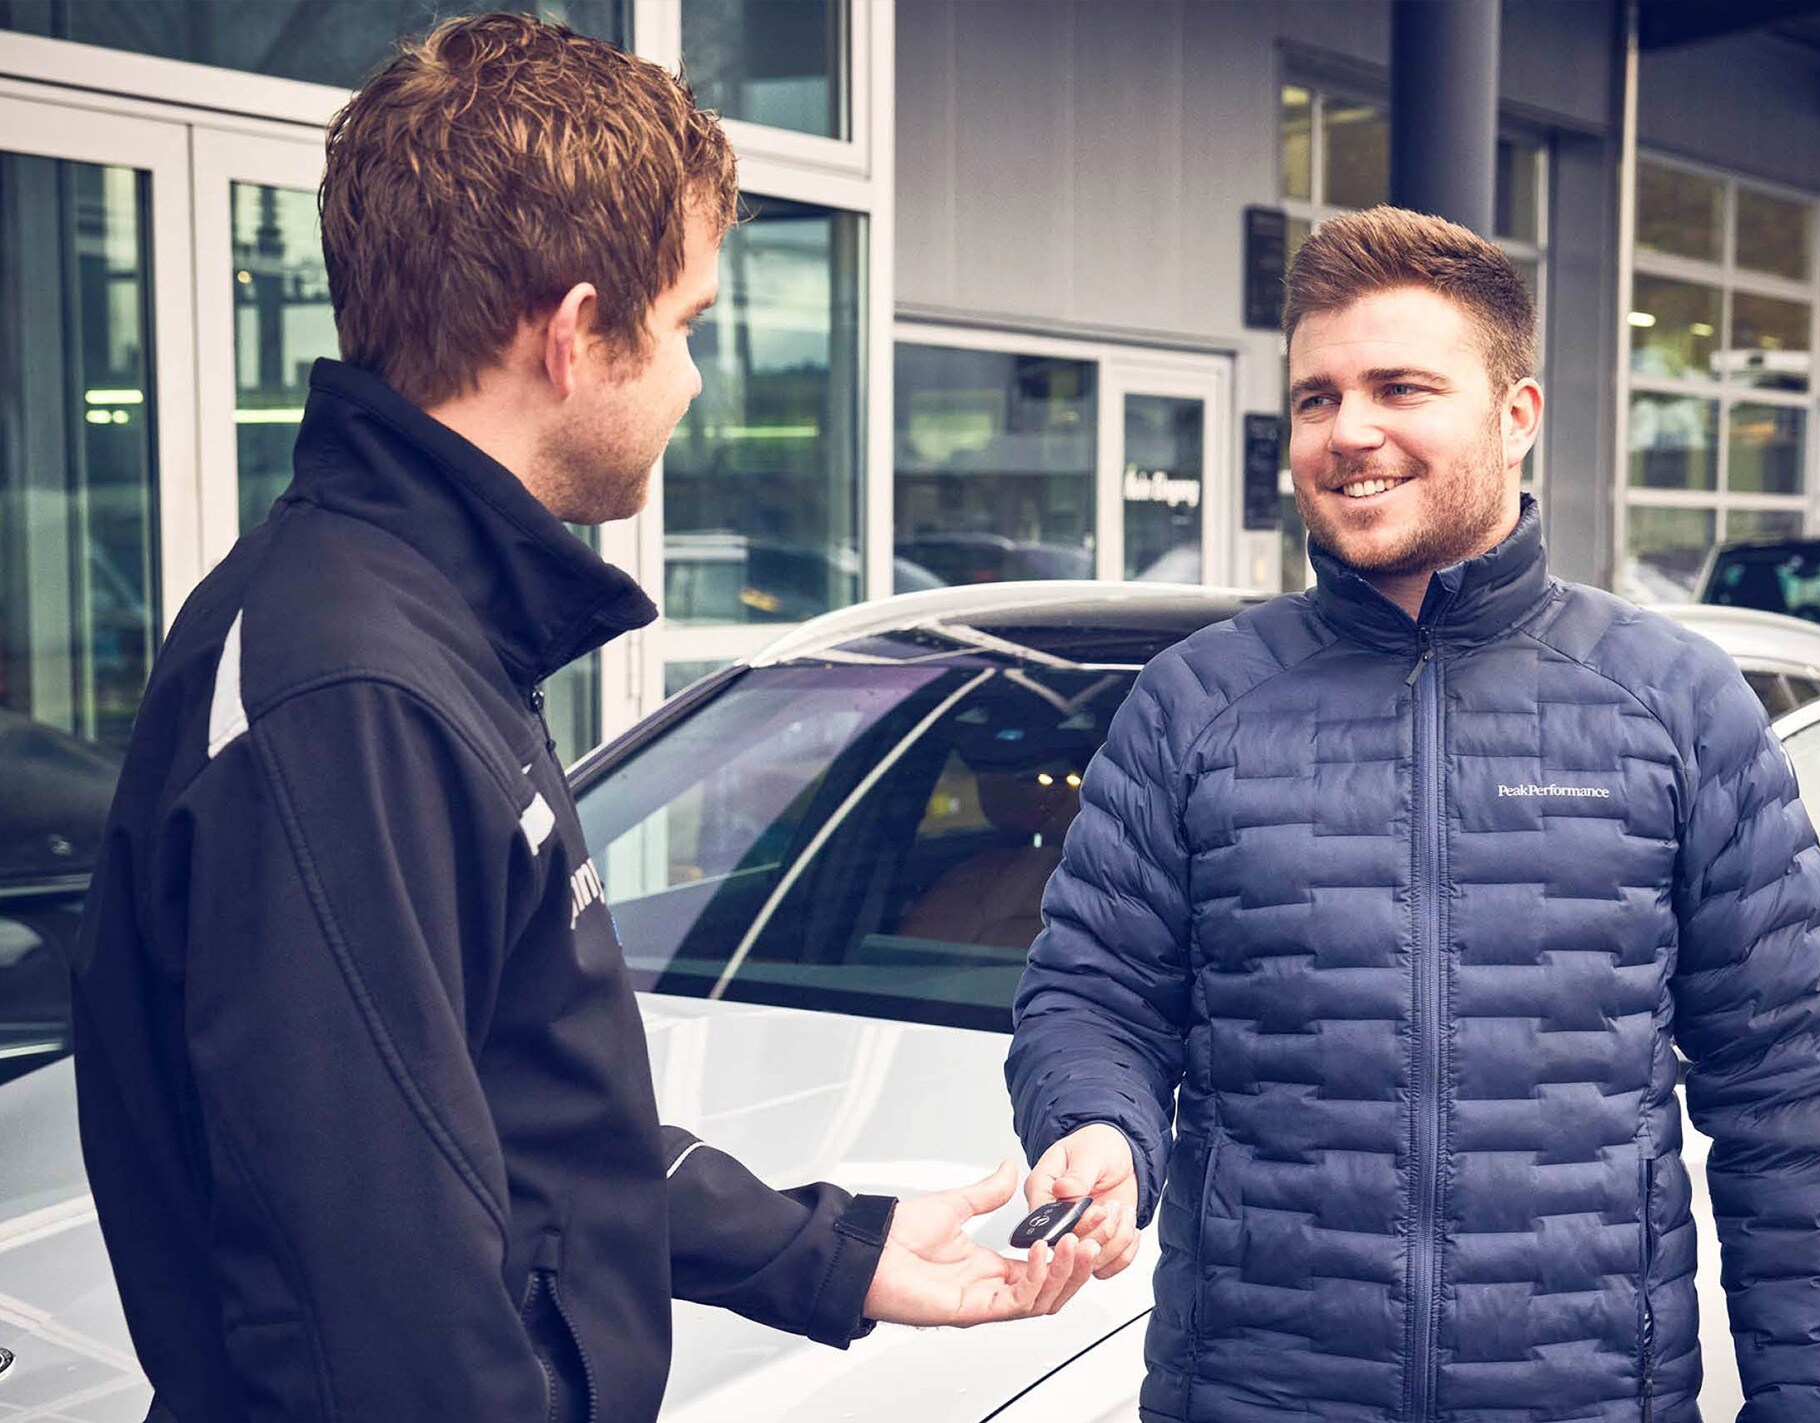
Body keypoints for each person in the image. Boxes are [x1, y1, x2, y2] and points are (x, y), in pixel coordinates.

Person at [71, 15, 1095, 1423]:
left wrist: (836, 1249)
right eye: (682, 329)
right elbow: (391, 1320)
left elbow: (512, 1120)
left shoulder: (414, 626)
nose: (687, 381)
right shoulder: (353, 693)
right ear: (571, 333)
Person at [1006, 205, 1820, 1422]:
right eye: (1316, 397)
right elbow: (1093, 993)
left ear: (1514, 416)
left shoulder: (1673, 703)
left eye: (1399, 387)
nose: (1349, 431)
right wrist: (1098, 1124)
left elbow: (1788, 1097)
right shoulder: (1196, 703)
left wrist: (1815, 1406)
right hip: (1256, 1395)